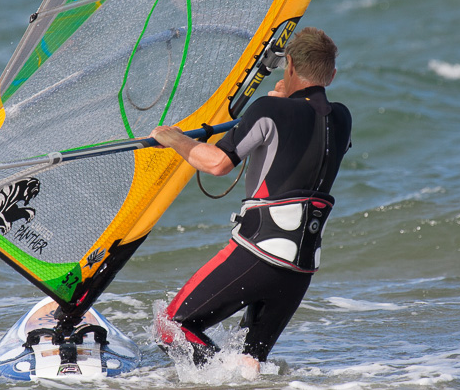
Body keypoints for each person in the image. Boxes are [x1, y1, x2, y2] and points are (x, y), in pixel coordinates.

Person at [149, 27, 352, 370]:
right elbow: (307, 132)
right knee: (248, 363)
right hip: (300, 267)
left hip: (259, 252)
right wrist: (286, 101)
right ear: (331, 75)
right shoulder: (343, 118)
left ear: (289, 65)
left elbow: (217, 164)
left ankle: (213, 376)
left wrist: (175, 139)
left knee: (170, 328)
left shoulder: (268, 110)